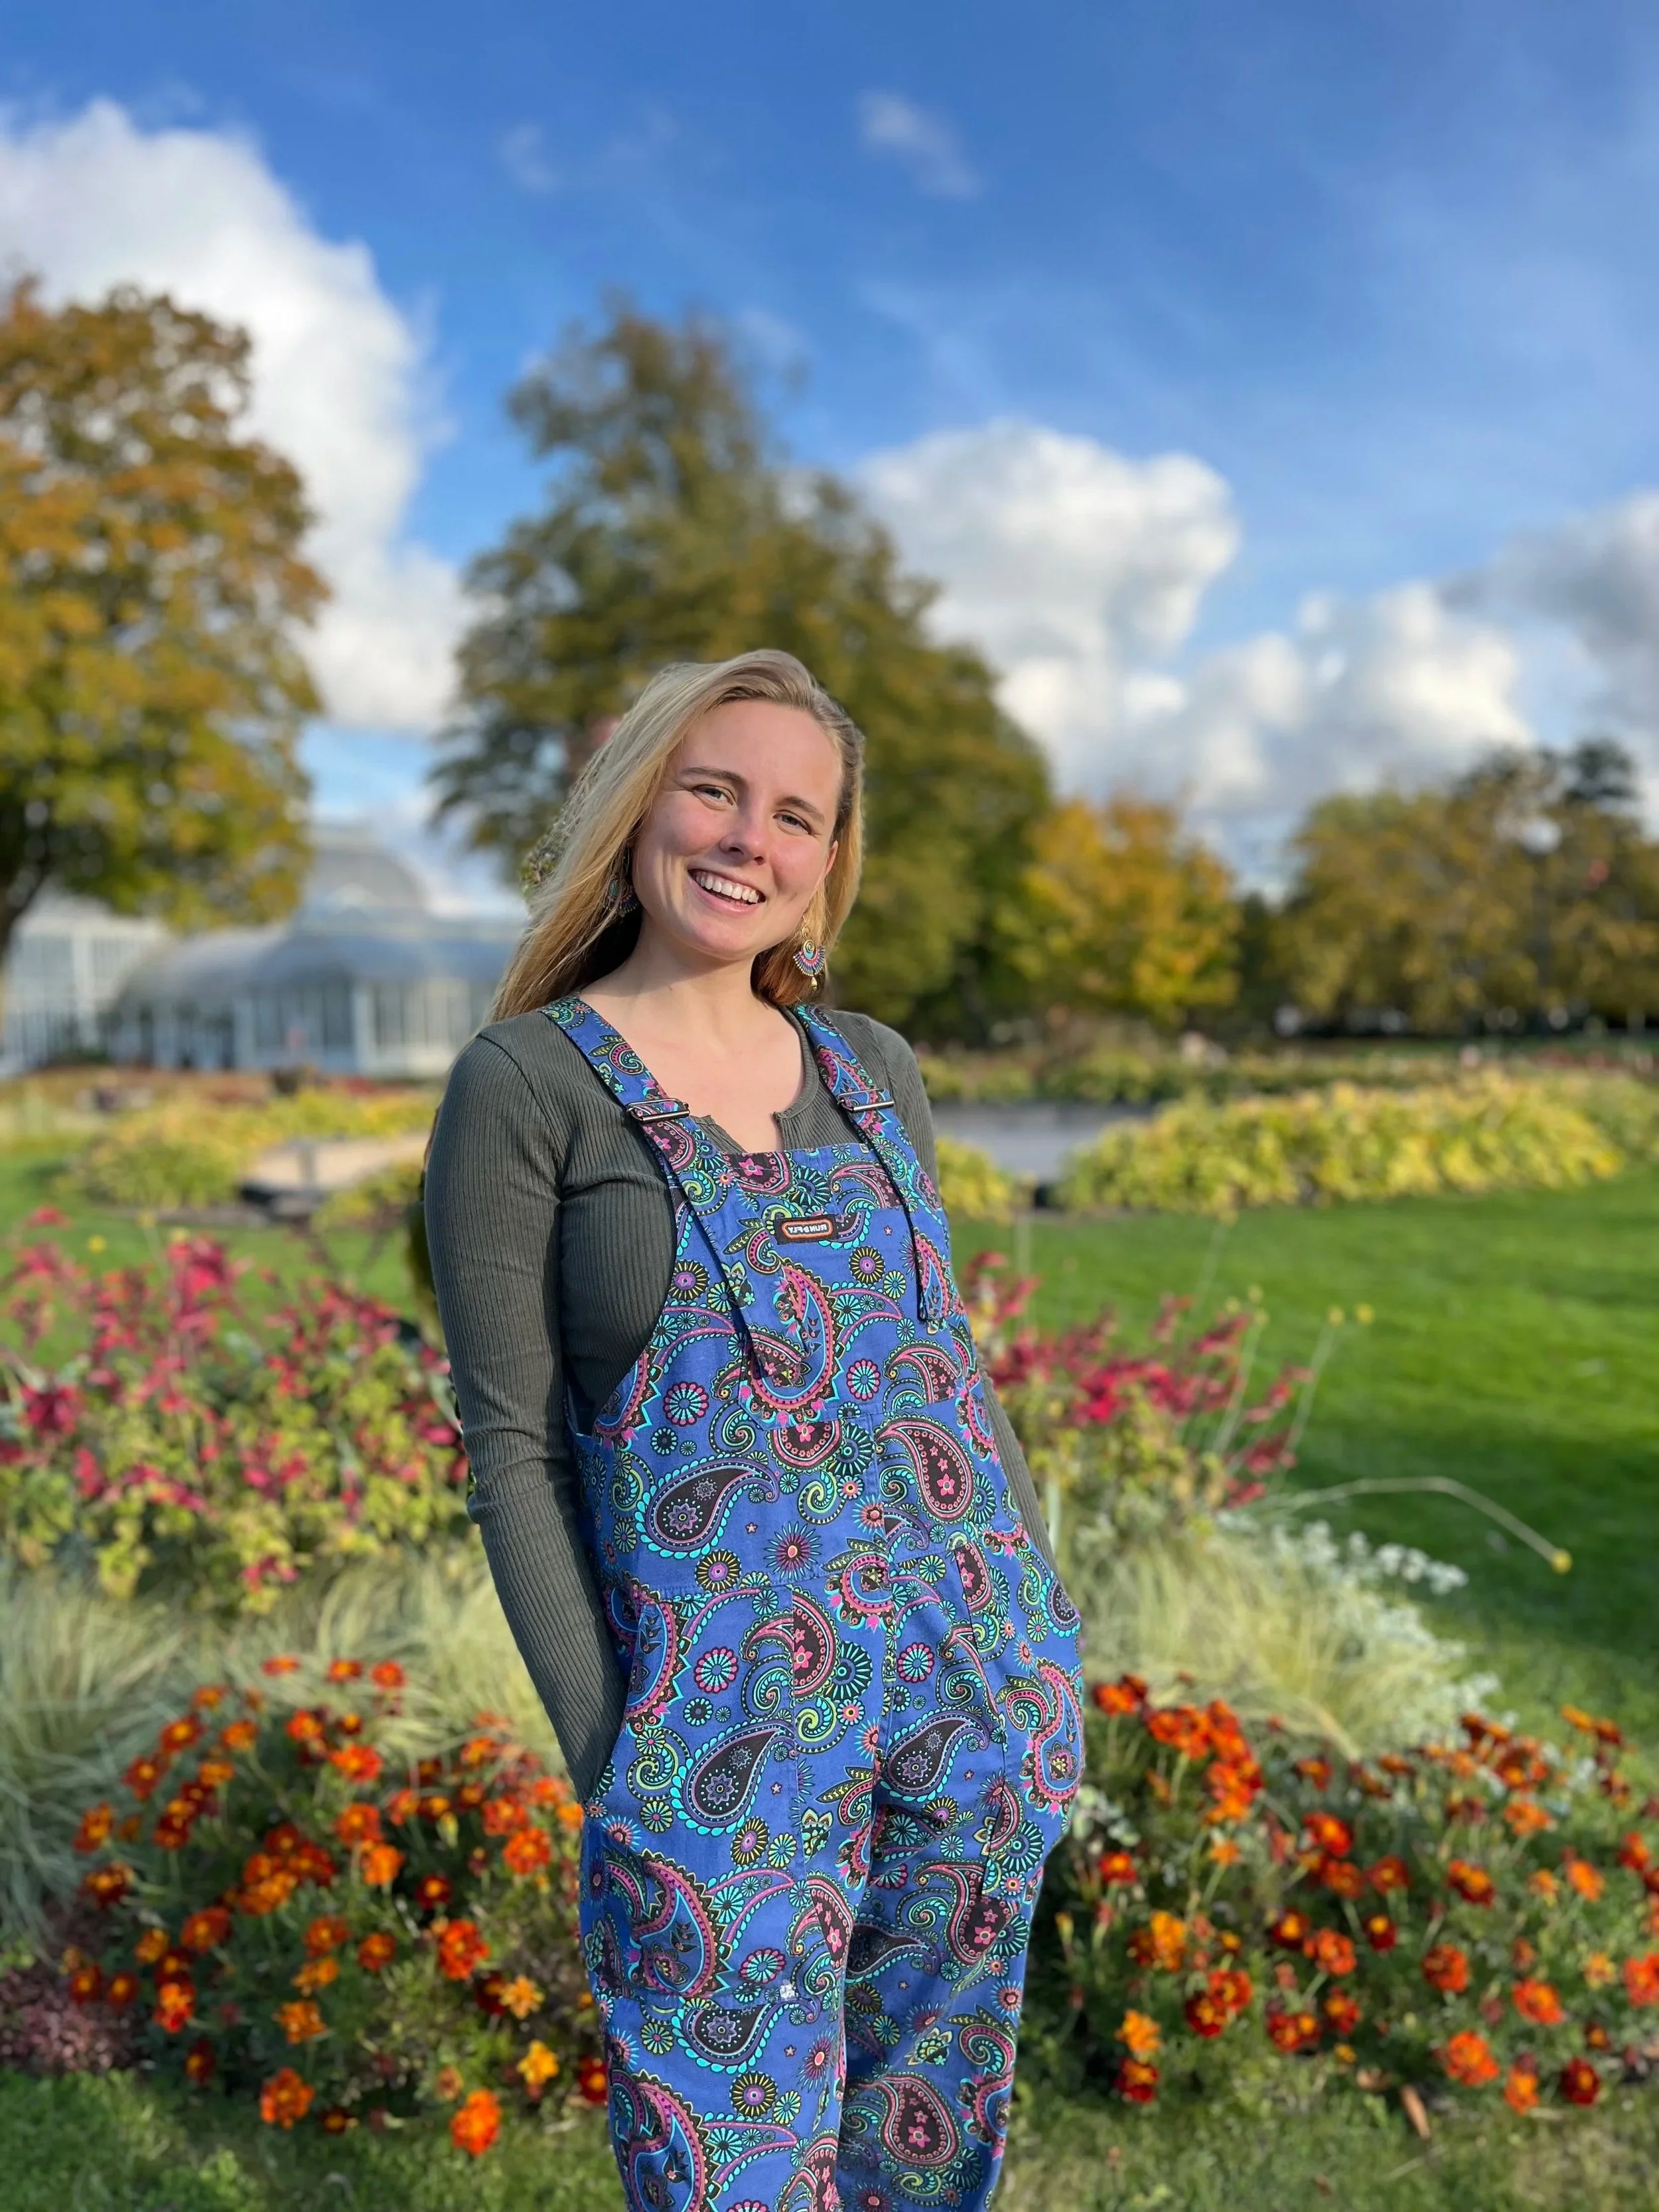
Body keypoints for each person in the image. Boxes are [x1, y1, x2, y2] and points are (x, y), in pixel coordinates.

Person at [425, 648, 1082, 2212]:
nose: (747, 839)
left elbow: (944, 1367)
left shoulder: (874, 1074)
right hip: (714, 1752)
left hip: (972, 1705)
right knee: (727, 2170)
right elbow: (506, 1445)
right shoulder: (527, 1085)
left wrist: (1038, 1639)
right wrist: (613, 1751)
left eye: (796, 814)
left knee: (924, 2147)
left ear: (826, 861)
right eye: (713, 788)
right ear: (639, 801)